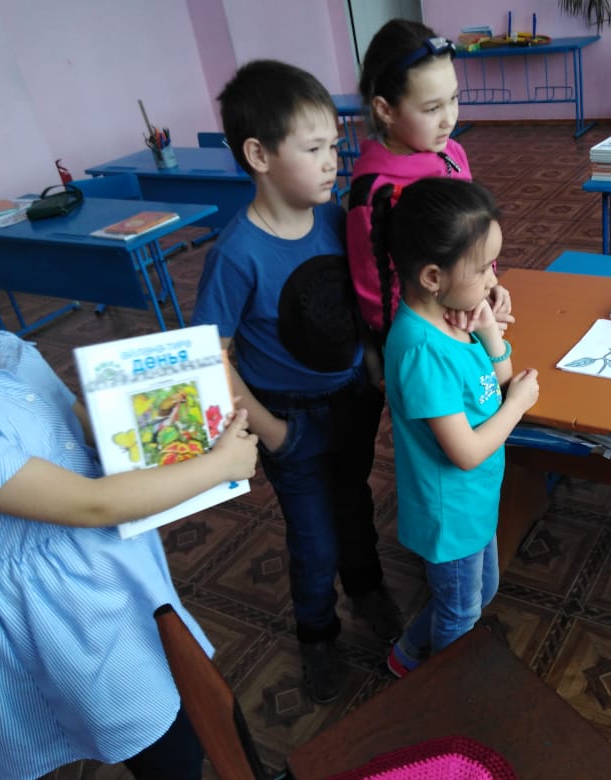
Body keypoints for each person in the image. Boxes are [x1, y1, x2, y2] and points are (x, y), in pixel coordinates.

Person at [0, 204, 259, 780]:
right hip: (59, 604)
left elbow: (82, 428)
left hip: (108, 564)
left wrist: (170, 417)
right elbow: (90, 503)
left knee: (191, 690)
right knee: (162, 739)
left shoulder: (6, 349)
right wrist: (217, 467)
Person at [190, 59, 401, 705]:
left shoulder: (335, 219)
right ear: (259, 155)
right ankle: (317, 634)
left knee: (355, 504)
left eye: (333, 145)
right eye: (313, 149)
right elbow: (210, 357)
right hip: (290, 421)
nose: (332, 161)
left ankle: (367, 588)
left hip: (352, 400)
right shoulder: (237, 254)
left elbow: (363, 299)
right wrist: (272, 430)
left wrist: (372, 367)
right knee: (313, 540)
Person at [369, 177, 540, 677]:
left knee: (477, 595)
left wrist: (489, 334)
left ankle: (405, 656)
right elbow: (465, 451)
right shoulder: (423, 350)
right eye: (483, 268)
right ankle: (445, 695)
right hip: (450, 514)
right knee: (461, 612)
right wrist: (517, 408)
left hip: (475, 501)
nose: (493, 280)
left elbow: (499, 381)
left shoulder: (454, 317)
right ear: (432, 276)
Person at [347, 19, 513, 361]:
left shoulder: (452, 153)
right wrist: (450, 323)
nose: (449, 118)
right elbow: (377, 301)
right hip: (428, 345)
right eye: (432, 108)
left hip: (472, 320)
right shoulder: (374, 193)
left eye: (454, 99)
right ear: (385, 110)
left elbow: (474, 233)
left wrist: (488, 287)